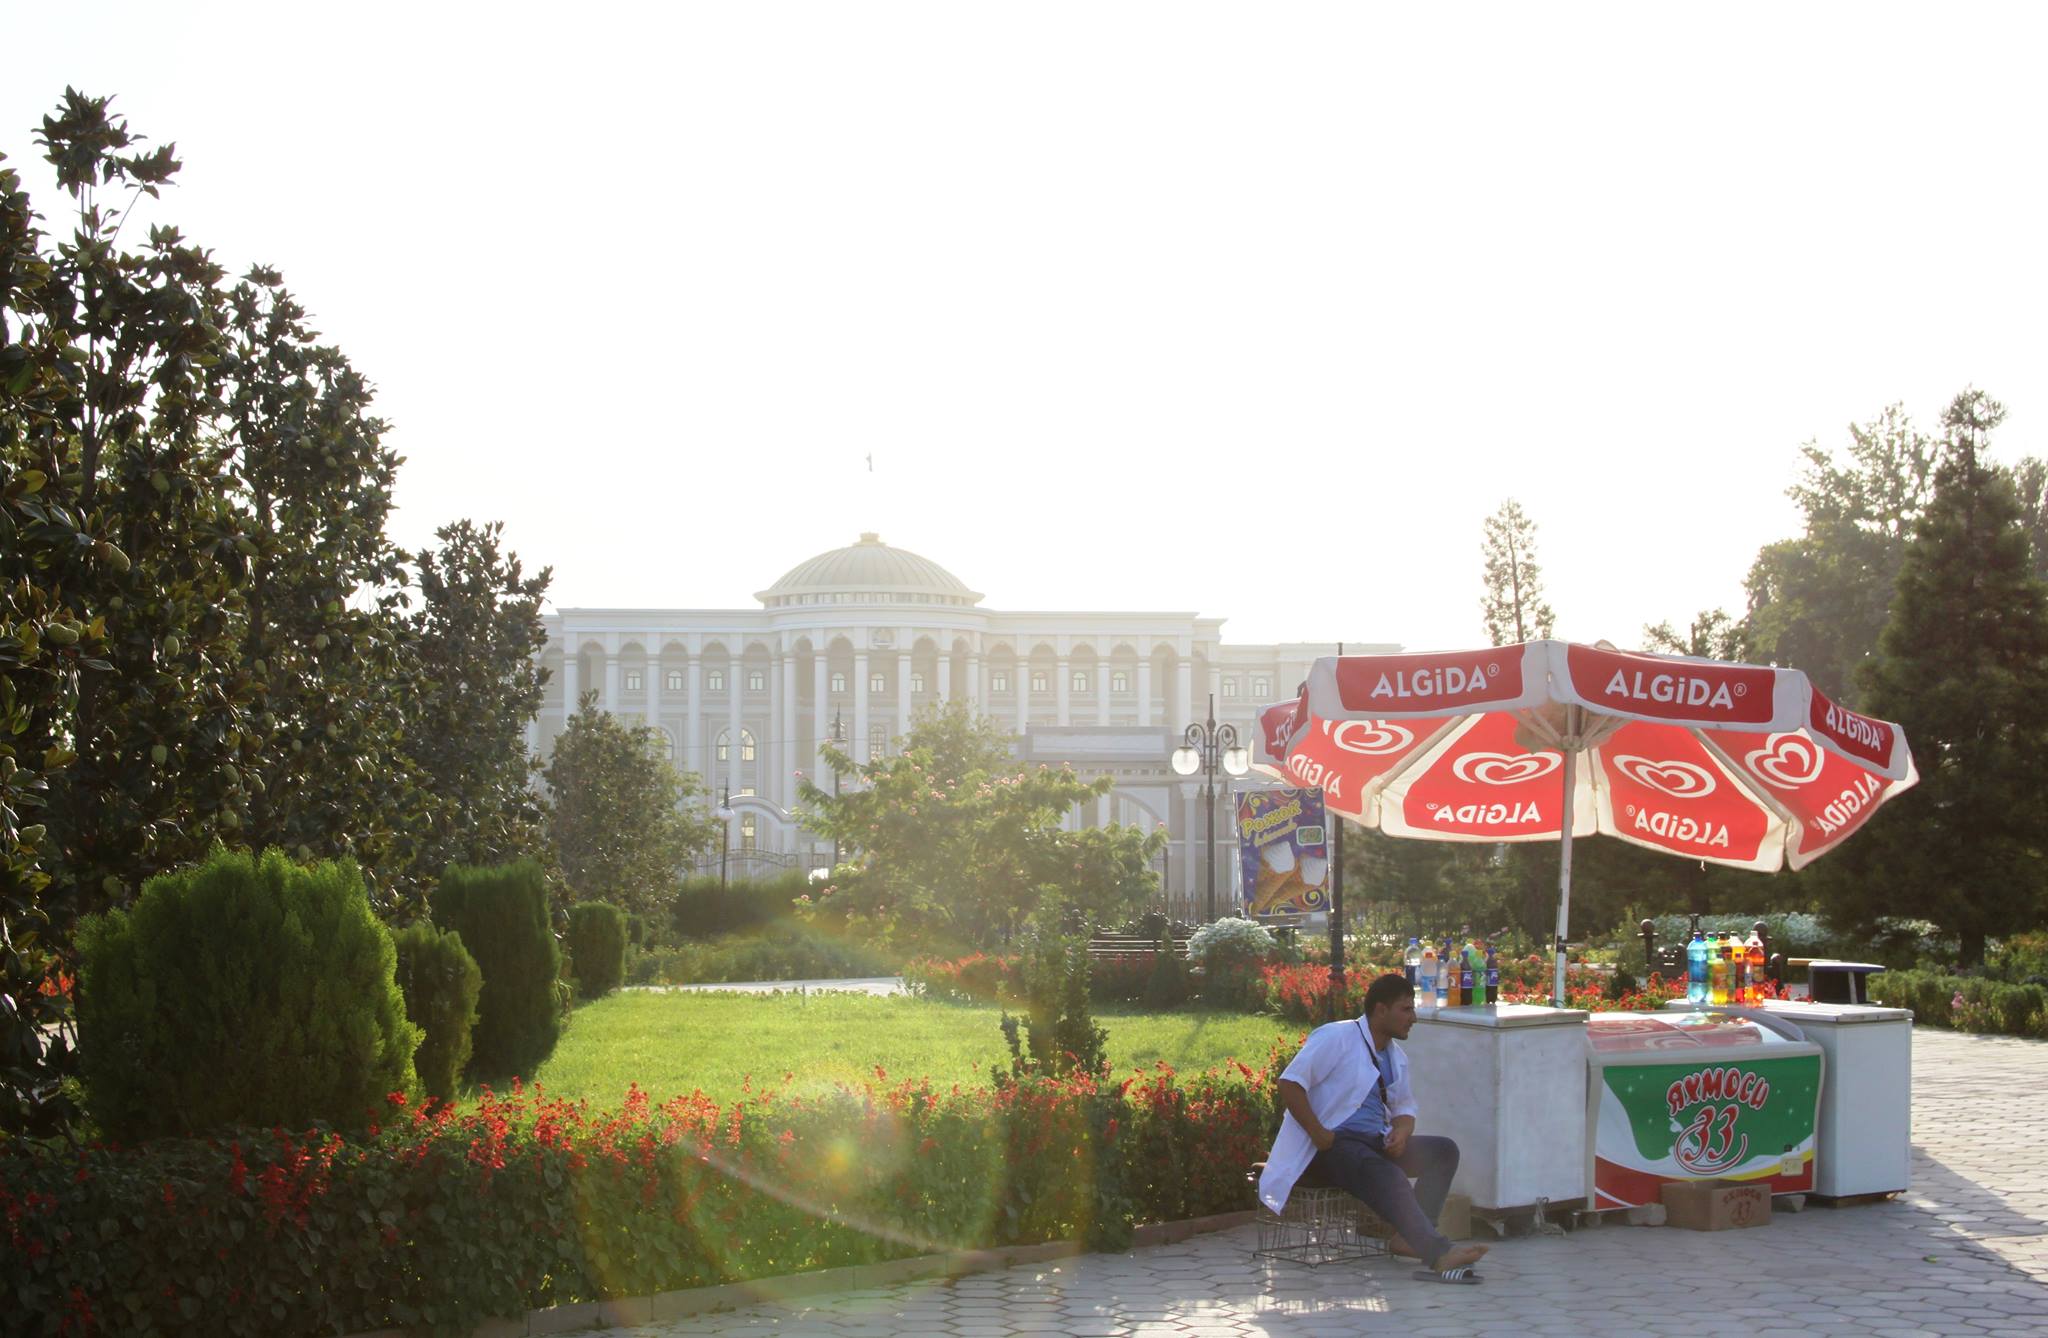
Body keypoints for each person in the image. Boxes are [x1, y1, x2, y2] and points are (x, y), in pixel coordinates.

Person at [1258, 972, 1487, 1279]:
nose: (1414, 1018)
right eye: (1406, 1009)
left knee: (1443, 1152)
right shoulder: (1337, 1037)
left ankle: (1410, 1237)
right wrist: (1319, 1134)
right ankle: (1438, 1252)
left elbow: (1404, 1110)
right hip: (1329, 1147)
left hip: (1372, 1143)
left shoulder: (1396, 1057)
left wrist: (1402, 1134)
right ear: (1381, 1010)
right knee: (1387, 1174)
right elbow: (1290, 1084)